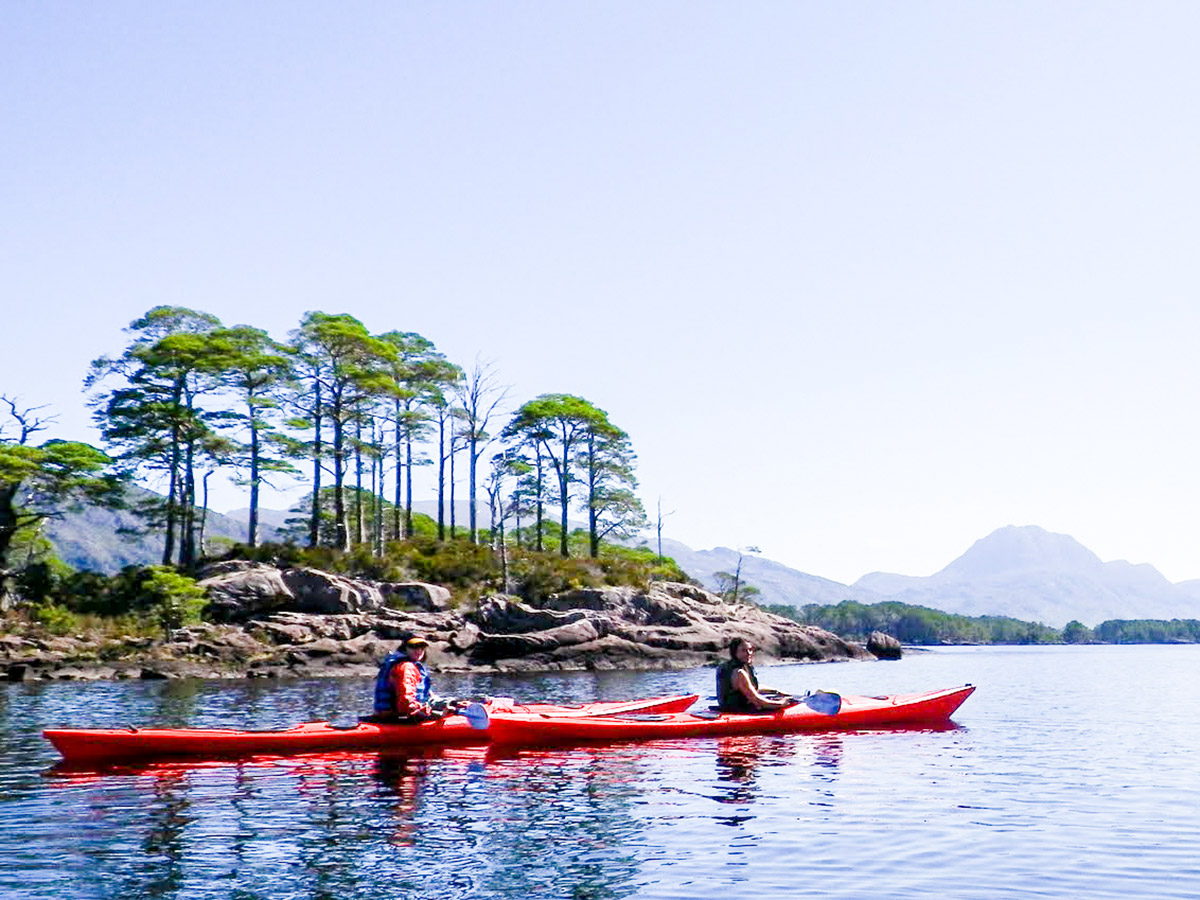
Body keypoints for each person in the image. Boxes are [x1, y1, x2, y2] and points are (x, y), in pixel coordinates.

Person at [372, 635, 463, 721]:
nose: (419, 650)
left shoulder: (407, 665)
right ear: (405, 648)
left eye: (422, 647)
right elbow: (406, 702)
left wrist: (453, 704)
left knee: (453, 705)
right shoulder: (406, 667)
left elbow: (427, 697)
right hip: (399, 716)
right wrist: (430, 713)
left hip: (393, 714)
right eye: (414, 646)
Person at [715, 637, 794, 713]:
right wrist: (781, 703)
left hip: (728, 709)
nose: (749, 653)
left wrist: (777, 692)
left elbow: (752, 686)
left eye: (750, 650)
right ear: (734, 653)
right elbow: (757, 700)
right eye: (744, 650)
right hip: (738, 712)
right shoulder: (739, 673)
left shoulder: (726, 667)